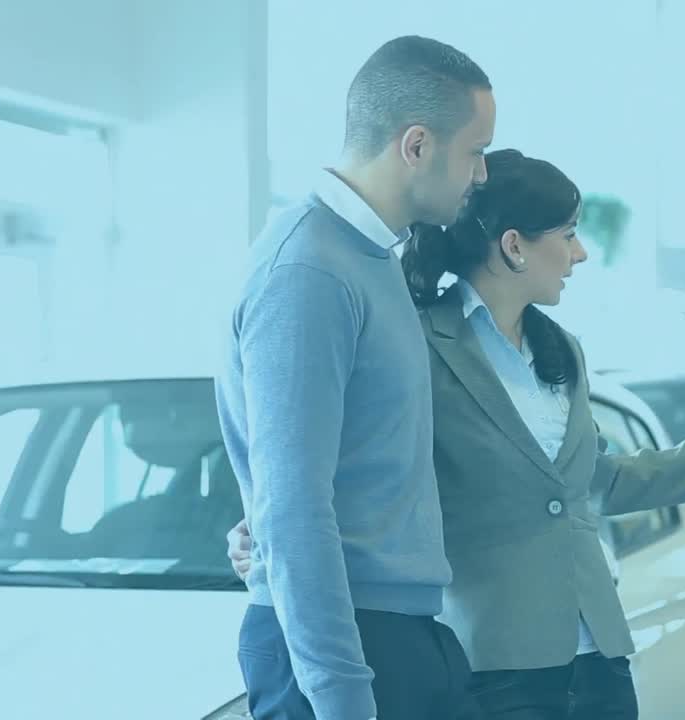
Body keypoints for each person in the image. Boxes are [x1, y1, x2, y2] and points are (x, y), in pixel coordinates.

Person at [228, 148, 685, 719]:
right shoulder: (415, 344)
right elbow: (354, 463)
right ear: (514, 246)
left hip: (599, 656)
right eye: (568, 235)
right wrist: (261, 533)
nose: (582, 253)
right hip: (493, 662)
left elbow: (604, 480)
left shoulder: (560, 350)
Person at [214, 36, 494, 720]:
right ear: (417, 145)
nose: (481, 174)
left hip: (400, 633)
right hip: (346, 651)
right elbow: (293, 505)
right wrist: (341, 697)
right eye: (475, 152)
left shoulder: (371, 259)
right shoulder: (307, 270)